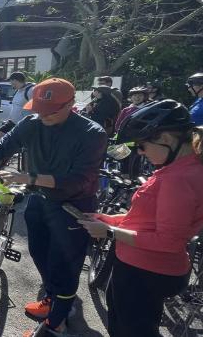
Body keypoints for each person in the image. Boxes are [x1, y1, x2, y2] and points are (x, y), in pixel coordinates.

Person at [0, 78, 107, 337]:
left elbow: (78, 180)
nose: (43, 115)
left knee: (65, 264)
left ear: (71, 104)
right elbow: (3, 146)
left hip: (73, 206)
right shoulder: (32, 123)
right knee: (38, 252)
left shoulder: (92, 133)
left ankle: (55, 324)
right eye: (39, 109)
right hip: (40, 200)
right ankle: (53, 298)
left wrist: (30, 178)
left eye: (51, 110)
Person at [78, 100, 203, 337]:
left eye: (142, 145)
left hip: (145, 270)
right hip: (144, 266)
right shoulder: (181, 167)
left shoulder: (178, 179)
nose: (140, 152)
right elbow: (147, 219)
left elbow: (168, 241)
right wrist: (109, 219)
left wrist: (109, 232)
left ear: (166, 138)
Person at [0, 72, 35, 144]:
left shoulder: (31, 90)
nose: (10, 83)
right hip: (12, 122)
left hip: (23, 124)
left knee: (15, 146)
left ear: (15, 80)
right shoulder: (18, 90)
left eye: (11, 81)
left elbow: (36, 109)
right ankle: (7, 154)